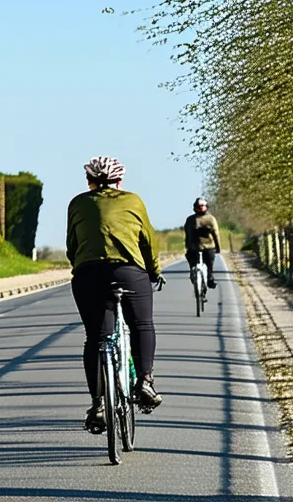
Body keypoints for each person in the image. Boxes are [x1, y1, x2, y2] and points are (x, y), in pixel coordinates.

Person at [66, 156, 163, 434]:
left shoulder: (77, 203)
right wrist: (154, 271)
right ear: (119, 182)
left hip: (88, 275)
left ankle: (97, 404)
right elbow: (147, 242)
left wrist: (83, 265)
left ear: (89, 182)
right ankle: (144, 381)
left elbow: (72, 246)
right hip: (129, 272)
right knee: (141, 324)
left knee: (95, 338)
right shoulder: (133, 201)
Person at [184, 197, 221, 289]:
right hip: (209, 247)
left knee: (192, 260)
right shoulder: (211, 219)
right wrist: (218, 247)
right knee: (209, 264)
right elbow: (216, 234)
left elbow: (187, 234)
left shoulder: (190, 219)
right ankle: (210, 277)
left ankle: (193, 273)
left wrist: (187, 245)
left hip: (193, 247)